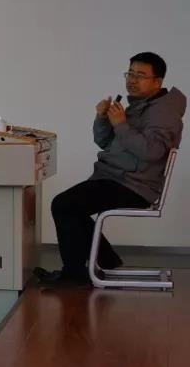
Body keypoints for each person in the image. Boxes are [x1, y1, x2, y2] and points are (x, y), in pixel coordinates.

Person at [39, 52, 186, 287]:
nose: (132, 80)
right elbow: (105, 142)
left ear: (157, 82)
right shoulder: (139, 106)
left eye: (140, 75)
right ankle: (106, 260)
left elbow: (152, 151)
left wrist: (121, 124)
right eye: (130, 73)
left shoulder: (164, 113)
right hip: (116, 178)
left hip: (134, 185)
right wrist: (101, 118)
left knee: (64, 204)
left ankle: (75, 274)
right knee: (70, 206)